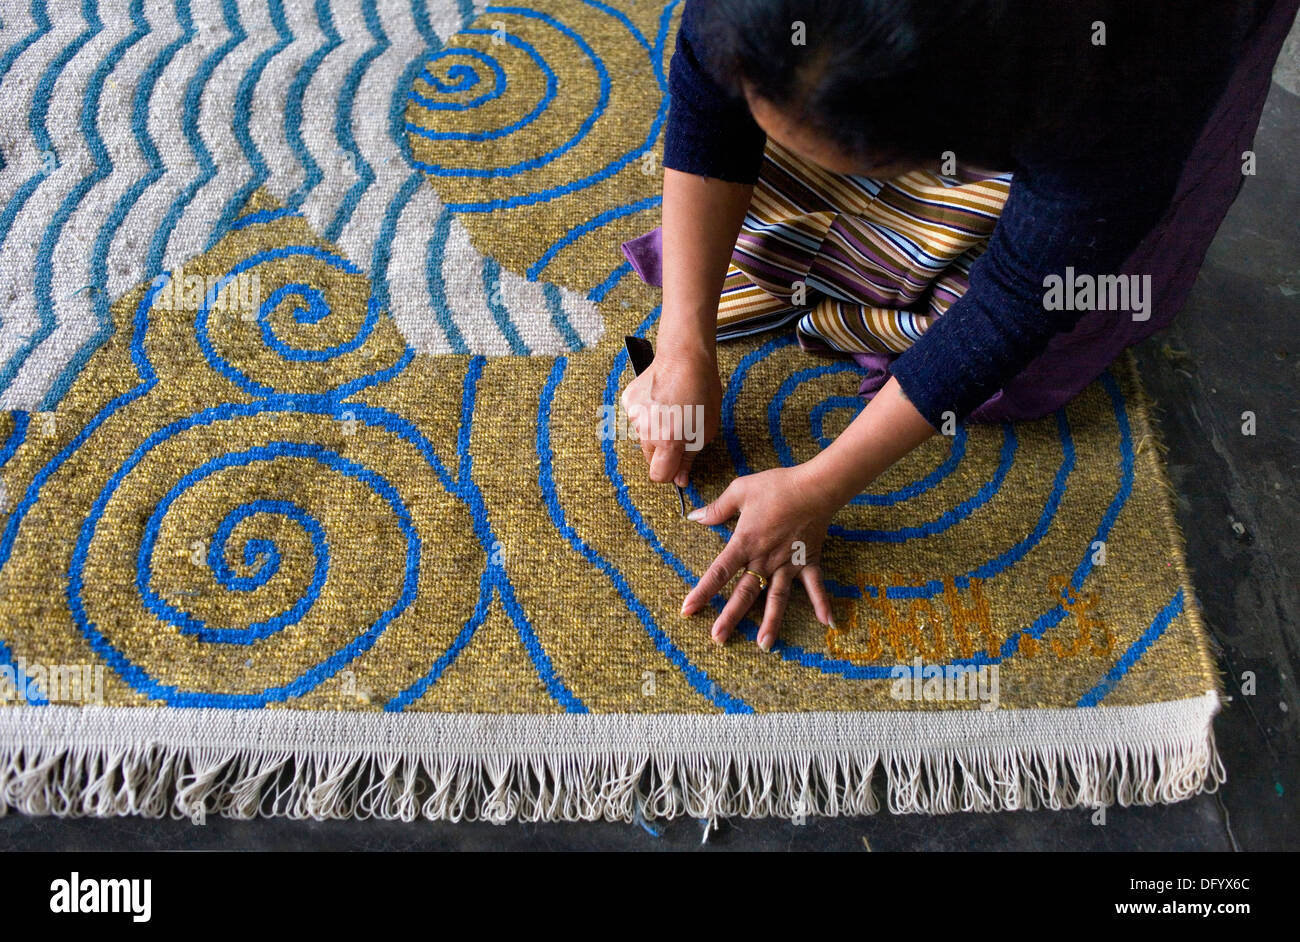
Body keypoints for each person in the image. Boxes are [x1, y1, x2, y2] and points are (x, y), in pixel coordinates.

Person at [619, 0, 1291, 650]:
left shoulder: (1134, 65)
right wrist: (682, 343)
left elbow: (1027, 292)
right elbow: (711, 85)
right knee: (765, 222)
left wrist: (822, 485)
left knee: (1034, 358)